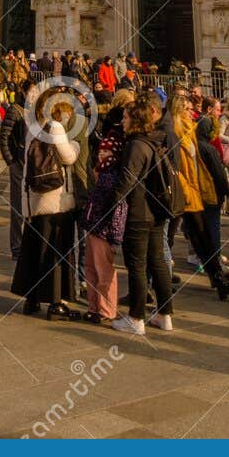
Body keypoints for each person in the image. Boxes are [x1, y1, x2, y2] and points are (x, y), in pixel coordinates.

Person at [111, 94, 175, 337]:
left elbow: (127, 180)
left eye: (126, 117)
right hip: (156, 210)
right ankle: (164, 314)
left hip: (139, 212)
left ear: (136, 120)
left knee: (137, 264)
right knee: (157, 261)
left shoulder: (135, 145)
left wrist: (112, 204)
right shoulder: (154, 141)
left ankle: (136, 317)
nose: (122, 121)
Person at [11, 99, 80, 320]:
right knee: (57, 250)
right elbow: (68, 156)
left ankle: (31, 299)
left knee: (34, 250)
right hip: (56, 199)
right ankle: (57, 303)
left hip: (35, 199)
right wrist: (76, 145)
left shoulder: (33, 128)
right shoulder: (55, 127)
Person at [173, 99, 229, 299]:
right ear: (178, 111)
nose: (191, 112)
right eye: (187, 109)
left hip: (193, 191)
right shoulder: (176, 133)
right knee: (168, 239)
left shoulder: (189, 131)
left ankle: (218, 278)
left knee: (201, 237)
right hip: (183, 192)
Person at [80, 94, 128, 324]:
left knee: (103, 269)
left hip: (103, 227)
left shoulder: (111, 176)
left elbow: (114, 206)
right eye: (101, 151)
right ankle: (93, 305)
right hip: (92, 223)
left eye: (106, 152)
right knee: (90, 267)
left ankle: (106, 309)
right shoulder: (101, 173)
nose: (102, 154)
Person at [0, 87, 27, 259]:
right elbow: (3, 137)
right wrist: (11, 161)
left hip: (32, 166)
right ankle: (17, 248)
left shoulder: (37, 111)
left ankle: (27, 245)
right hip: (18, 164)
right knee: (17, 208)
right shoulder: (15, 111)